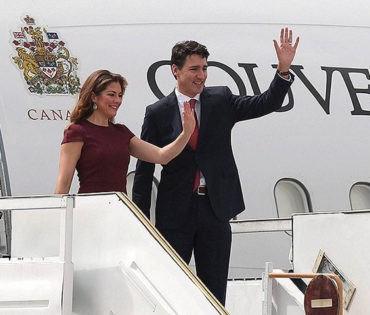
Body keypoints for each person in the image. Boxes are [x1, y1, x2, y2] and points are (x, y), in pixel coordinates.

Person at [132, 28, 299, 305]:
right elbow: (145, 170)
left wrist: (283, 71)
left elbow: (266, 103)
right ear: (176, 70)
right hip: (175, 214)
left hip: (215, 210)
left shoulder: (220, 100)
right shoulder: (158, 112)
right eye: (194, 69)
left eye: (205, 68)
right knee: (172, 288)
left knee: (214, 292)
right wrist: (138, 218)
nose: (201, 75)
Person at [55, 69, 195, 194]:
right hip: (91, 209)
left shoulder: (121, 132)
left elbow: (161, 156)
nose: (117, 100)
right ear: (93, 97)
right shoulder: (77, 131)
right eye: (111, 94)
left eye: (120, 95)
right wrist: (57, 219)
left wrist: (186, 133)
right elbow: (64, 182)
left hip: (121, 211)